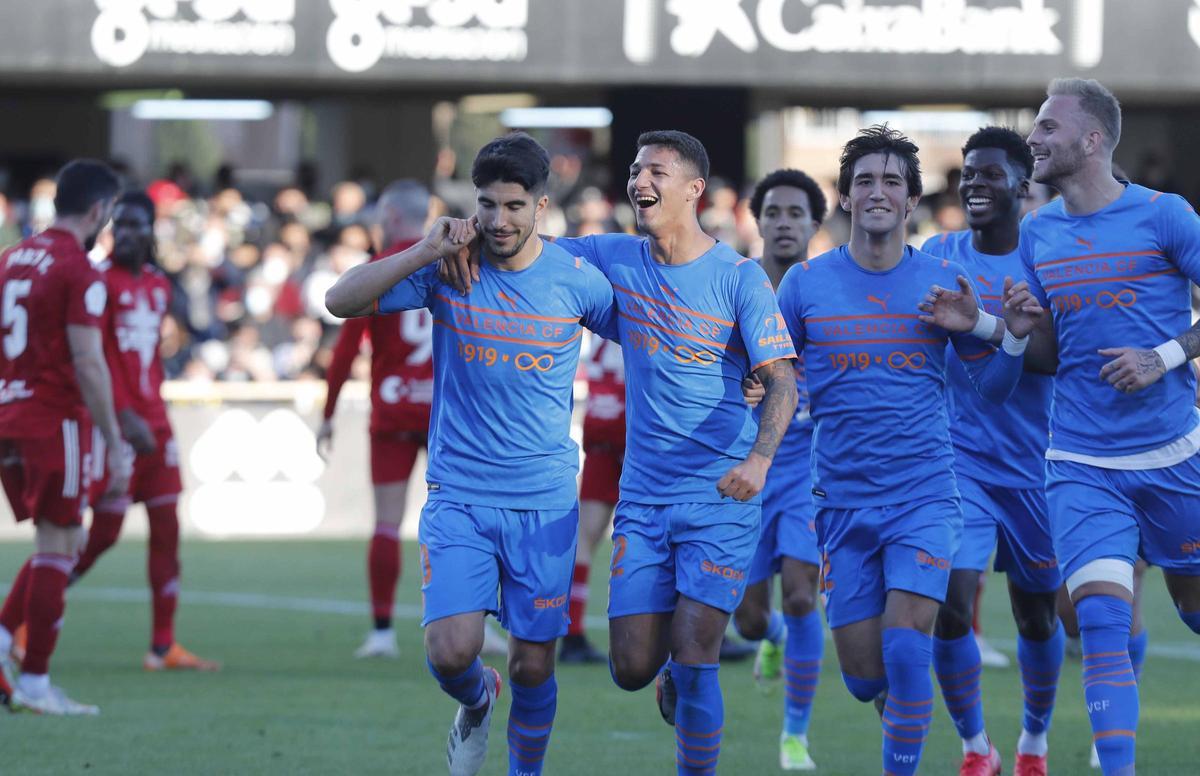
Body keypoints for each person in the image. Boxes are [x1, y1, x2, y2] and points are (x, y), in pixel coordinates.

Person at [925, 78, 1200, 776]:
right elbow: (1047, 352)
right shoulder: (1039, 234)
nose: (1036, 139)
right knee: (1102, 629)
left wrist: (1162, 357)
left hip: (1175, 455)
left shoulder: (1166, 216)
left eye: (1049, 127)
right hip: (1078, 462)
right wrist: (995, 326)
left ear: (1093, 140)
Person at [325, 132, 617, 776]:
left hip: (543, 504)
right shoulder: (449, 264)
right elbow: (340, 300)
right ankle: (477, 700)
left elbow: (649, 348)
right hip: (459, 494)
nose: (498, 220)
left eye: (514, 206)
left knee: (535, 663)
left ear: (541, 206)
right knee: (453, 651)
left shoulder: (579, 284)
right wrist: (422, 249)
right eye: (487, 204)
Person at [777, 126, 1031, 776]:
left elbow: (995, 389)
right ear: (844, 196)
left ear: (913, 199)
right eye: (865, 180)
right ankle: (914, 723)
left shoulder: (946, 282)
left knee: (908, 646)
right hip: (842, 506)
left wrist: (995, 331)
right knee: (867, 677)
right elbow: (767, 376)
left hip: (925, 497)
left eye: (893, 181)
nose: (879, 192)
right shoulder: (805, 287)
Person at [549, 130, 800, 775]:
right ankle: (667, 677)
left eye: (656, 170)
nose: (640, 181)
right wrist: (463, 235)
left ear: (693, 189)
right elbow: (534, 253)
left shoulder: (740, 278)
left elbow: (781, 380)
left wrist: (759, 462)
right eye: (636, 170)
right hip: (643, 498)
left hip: (722, 494)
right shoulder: (614, 256)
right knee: (632, 667)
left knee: (697, 652)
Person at [921, 127, 1063, 776]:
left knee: (1036, 616)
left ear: (1022, 186)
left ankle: (1034, 739)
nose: (975, 183)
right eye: (967, 174)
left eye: (990, 174)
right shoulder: (939, 253)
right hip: (960, 461)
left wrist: (982, 323)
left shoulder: (1047, 259)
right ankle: (977, 748)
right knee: (951, 605)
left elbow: (1051, 356)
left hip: (1038, 467)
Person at [319, 180, 505, 660]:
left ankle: (381, 632)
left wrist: (328, 412)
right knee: (471, 518)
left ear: (394, 217)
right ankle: (482, 624)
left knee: (386, 523)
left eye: (382, 218)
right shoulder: (458, 257)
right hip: (447, 411)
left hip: (393, 406)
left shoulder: (386, 268)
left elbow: (345, 346)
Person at [66, 191, 220, 672]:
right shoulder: (96, 282)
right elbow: (90, 357)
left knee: (167, 528)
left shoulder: (157, 286)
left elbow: (147, 355)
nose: (128, 234)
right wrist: (122, 414)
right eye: (120, 226)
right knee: (102, 534)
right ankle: (24, 624)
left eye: (137, 225)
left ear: (152, 230)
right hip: (114, 425)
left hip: (155, 421)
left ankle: (163, 646)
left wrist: (148, 403)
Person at [0, 159, 130, 714]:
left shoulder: (10, 260)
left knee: (54, 543)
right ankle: (34, 682)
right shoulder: (78, 268)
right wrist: (114, 439)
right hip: (55, 419)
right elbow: (88, 362)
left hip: (9, 414)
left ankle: (7, 643)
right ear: (100, 210)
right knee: (60, 545)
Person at [730, 168, 827, 771]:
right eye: (774, 213)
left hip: (807, 471)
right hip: (743, 470)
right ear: (757, 221)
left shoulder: (830, 287)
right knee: (749, 618)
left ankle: (795, 734)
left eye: (797, 213)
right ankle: (769, 641)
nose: (785, 222)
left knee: (800, 596)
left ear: (816, 224)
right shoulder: (731, 283)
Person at [560, 332, 624, 665]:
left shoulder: (598, 290)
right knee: (657, 529)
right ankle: (675, 634)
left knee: (585, 536)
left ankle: (572, 633)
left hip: (600, 416)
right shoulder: (641, 288)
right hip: (637, 418)